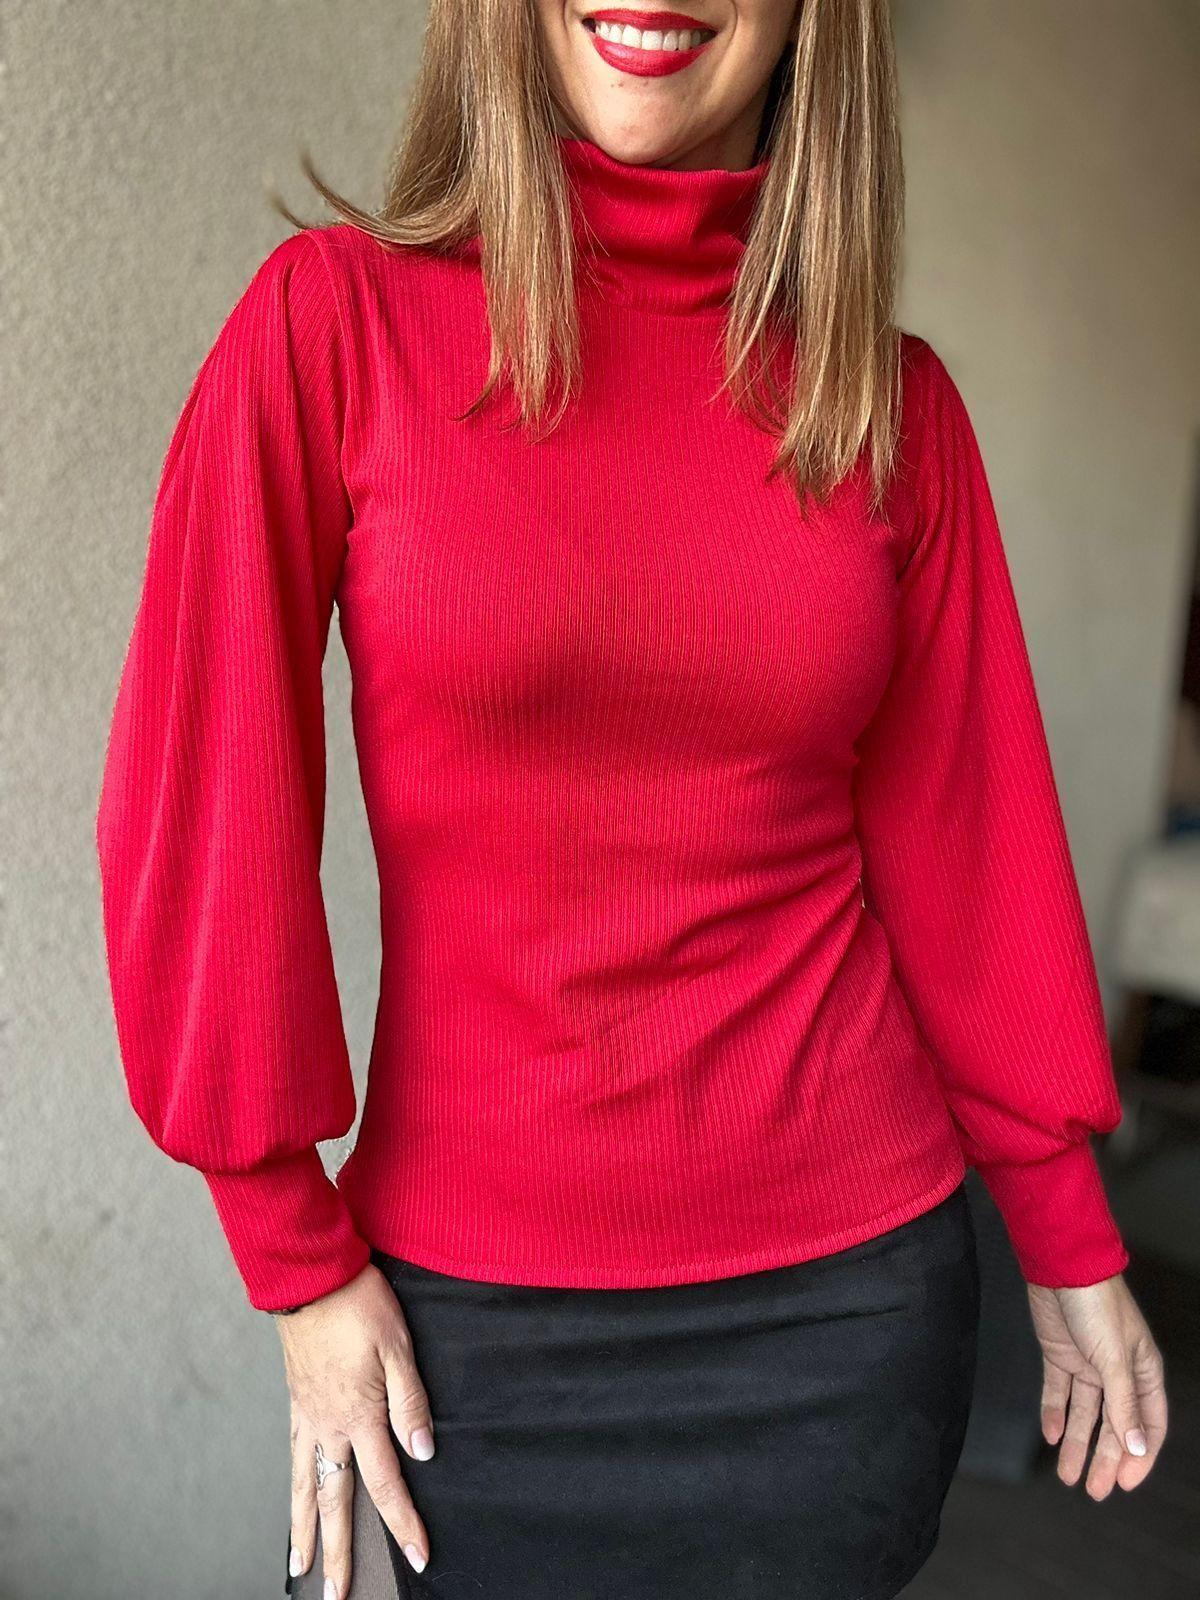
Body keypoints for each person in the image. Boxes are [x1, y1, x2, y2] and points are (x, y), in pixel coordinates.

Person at [94, 2, 1169, 1597]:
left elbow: (969, 853)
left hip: (847, 1315)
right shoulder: (335, 326)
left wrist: (1068, 1236)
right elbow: (202, 801)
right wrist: (293, 1256)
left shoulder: (888, 407)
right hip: (475, 1329)